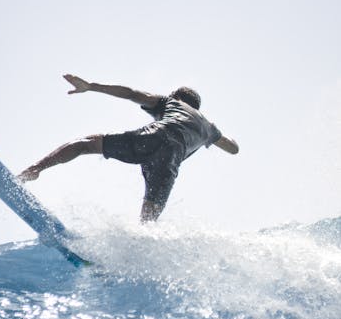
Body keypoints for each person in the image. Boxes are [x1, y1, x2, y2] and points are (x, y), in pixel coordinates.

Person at [19, 74, 239, 221]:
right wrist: (220, 135)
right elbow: (233, 148)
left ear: (177, 97)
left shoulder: (172, 102)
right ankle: (134, 256)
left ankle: (33, 170)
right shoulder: (209, 127)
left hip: (156, 136)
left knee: (86, 144)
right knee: (149, 217)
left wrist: (91, 87)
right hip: (171, 161)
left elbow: (133, 94)